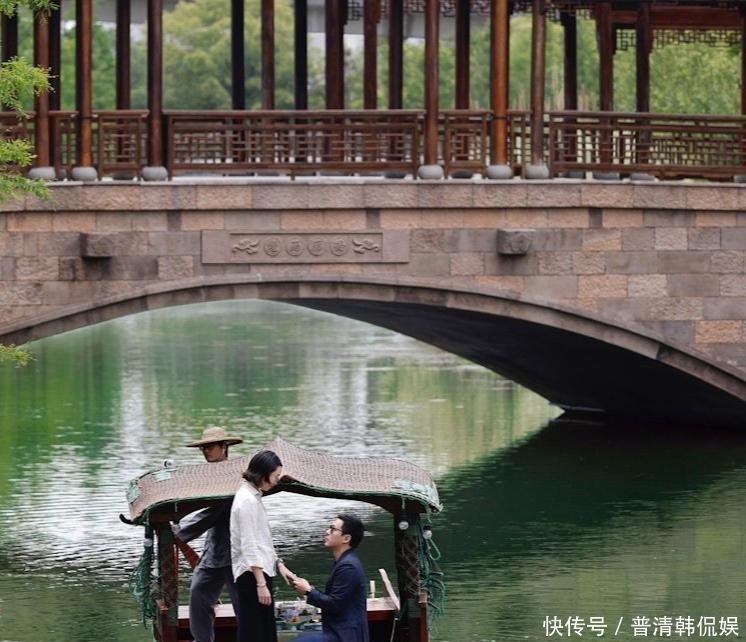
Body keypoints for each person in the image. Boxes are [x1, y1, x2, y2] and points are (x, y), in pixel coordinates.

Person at [173, 426, 244, 642]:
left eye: (210, 447)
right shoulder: (209, 475)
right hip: (214, 549)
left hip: (236, 552)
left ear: (224, 447)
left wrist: (179, 533)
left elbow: (214, 512)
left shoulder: (234, 476)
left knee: (243, 605)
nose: (206, 451)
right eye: (203, 448)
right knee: (199, 594)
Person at [231, 449, 295, 642]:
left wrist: (279, 565)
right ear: (263, 474)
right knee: (255, 631)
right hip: (252, 575)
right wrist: (261, 584)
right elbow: (249, 545)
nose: (276, 481)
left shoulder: (252, 496)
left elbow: (263, 540)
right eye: (275, 476)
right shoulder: (247, 500)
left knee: (262, 629)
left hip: (258, 572)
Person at [290, 514, 369, 642]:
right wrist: (309, 589)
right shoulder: (344, 562)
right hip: (337, 630)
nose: (327, 532)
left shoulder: (348, 566)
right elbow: (335, 599)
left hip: (343, 635)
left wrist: (308, 591)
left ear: (346, 538)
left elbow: (334, 604)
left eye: (333, 529)